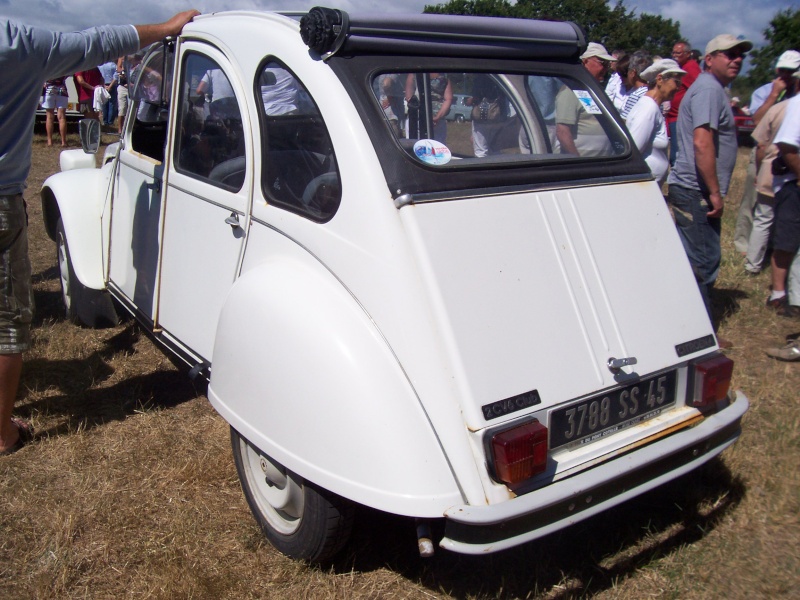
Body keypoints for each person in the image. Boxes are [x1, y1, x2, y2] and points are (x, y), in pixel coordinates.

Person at [0, 9, 200, 456]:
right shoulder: (16, 44)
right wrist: (166, 30)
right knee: (7, 321)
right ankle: (2, 432)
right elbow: (98, 42)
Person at [666, 34, 752, 347]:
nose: (736, 60)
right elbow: (702, 143)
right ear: (709, 59)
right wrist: (714, 192)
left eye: (740, 55)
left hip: (692, 187)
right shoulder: (708, 90)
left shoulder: (710, 90)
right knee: (703, 261)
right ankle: (698, 335)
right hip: (695, 189)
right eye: (728, 54)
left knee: (696, 258)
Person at [733, 50, 800, 253]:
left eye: (791, 71)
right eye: (782, 70)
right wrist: (773, 95)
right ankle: (743, 243)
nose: (785, 75)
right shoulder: (764, 92)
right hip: (766, 151)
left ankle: (772, 246)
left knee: (782, 207)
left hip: (790, 155)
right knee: (752, 200)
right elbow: (756, 121)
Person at [744, 74, 799, 275]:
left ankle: (753, 263)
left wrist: (758, 170)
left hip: (771, 171)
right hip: (788, 176)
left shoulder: (776, 109)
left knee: (763, 219)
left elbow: (760, 144)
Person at [765, 74, 800, 316]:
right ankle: (779, 294)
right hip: (792, 182)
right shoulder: (797, 105)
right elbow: (787, 145)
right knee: (787, 239)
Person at [625, 59, 686, 184]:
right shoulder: (648, 109)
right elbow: (635, 150)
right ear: (659, 79)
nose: (678, 87)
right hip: (642, 187)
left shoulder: (652, 107)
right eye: (676, 82)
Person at [555, 42, 613, 156]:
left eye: (608, 64)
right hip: (582, 165)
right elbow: (562, 132)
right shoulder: (570, 92)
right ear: (585, 61)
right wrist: (578, 160)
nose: (606, 69)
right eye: (602, 63)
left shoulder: (595, 91)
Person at [665, 41, 702, 166]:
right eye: (673, 52)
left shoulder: (690, 68)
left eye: (678, 53)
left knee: (677, 155)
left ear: (687, 54)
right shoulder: (680, 68)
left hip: (680, 118)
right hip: (673, 117)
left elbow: (698, 89)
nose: (675, 55)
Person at [619, 51, 652, 120]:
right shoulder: (653, 92)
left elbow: (625, 123)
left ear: (632, 73)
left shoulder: (636, 96)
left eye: (628, 71)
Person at [41, 76, 69, 147]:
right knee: (62, 117)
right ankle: (63, 141)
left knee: (49, 117)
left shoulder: (49, 67)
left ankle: (50, 141)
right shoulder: (62, 67)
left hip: (49, 90)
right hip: (62, 91)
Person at [98, 60, 119, 127]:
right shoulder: (113, 65)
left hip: (103, 84)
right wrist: (110, 86)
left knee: (104, 103)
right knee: (112, 104)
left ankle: (105, 121)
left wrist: (103, 85)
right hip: (111, 85)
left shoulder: (100, 65)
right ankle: (110, 122)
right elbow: (115, 77)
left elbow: (99, 76)